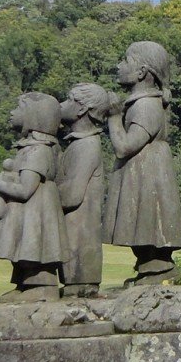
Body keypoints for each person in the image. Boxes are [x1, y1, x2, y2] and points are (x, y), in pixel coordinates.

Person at [104, 41, 181, 285]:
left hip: (149, 175)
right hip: (143, 171)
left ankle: (158, 269)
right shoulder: (143, 102)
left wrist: (114, 118)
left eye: (125, 60)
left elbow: (125, 146)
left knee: (148, 223)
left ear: (142, 72)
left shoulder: (146, 105)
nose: (119, 65)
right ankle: (150, 269)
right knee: (142, 224)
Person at [0, 91, 65, 297]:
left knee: (36, 247)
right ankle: (24, 285)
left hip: (37, 210)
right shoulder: (29, 148)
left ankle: (43, 287)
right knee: (25, 248)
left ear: (34, 117)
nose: (12, 113)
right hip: (30, 211)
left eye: (19, 108)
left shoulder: (39, 150)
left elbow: (25, 190)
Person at [57, 82, 112, 295]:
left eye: (69, 100)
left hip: (80, 240)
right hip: (73, 236)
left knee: (77, 284)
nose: (62, 105)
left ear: (82, 109)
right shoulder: (77, 144)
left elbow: (72, 195)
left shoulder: (86, 146)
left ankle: (81, 284)